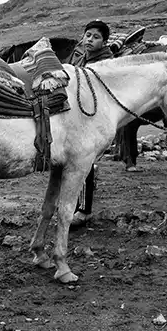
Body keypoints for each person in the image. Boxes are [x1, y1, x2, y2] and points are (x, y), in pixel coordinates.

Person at [66, 20, 113, 222]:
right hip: (77, 114)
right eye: (87, 35)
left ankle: (84, 210)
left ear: (104, 42)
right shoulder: (80, 57)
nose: (90, 40)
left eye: (96, 37)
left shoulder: (105, 63)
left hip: (93, 118)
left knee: (84, 161)